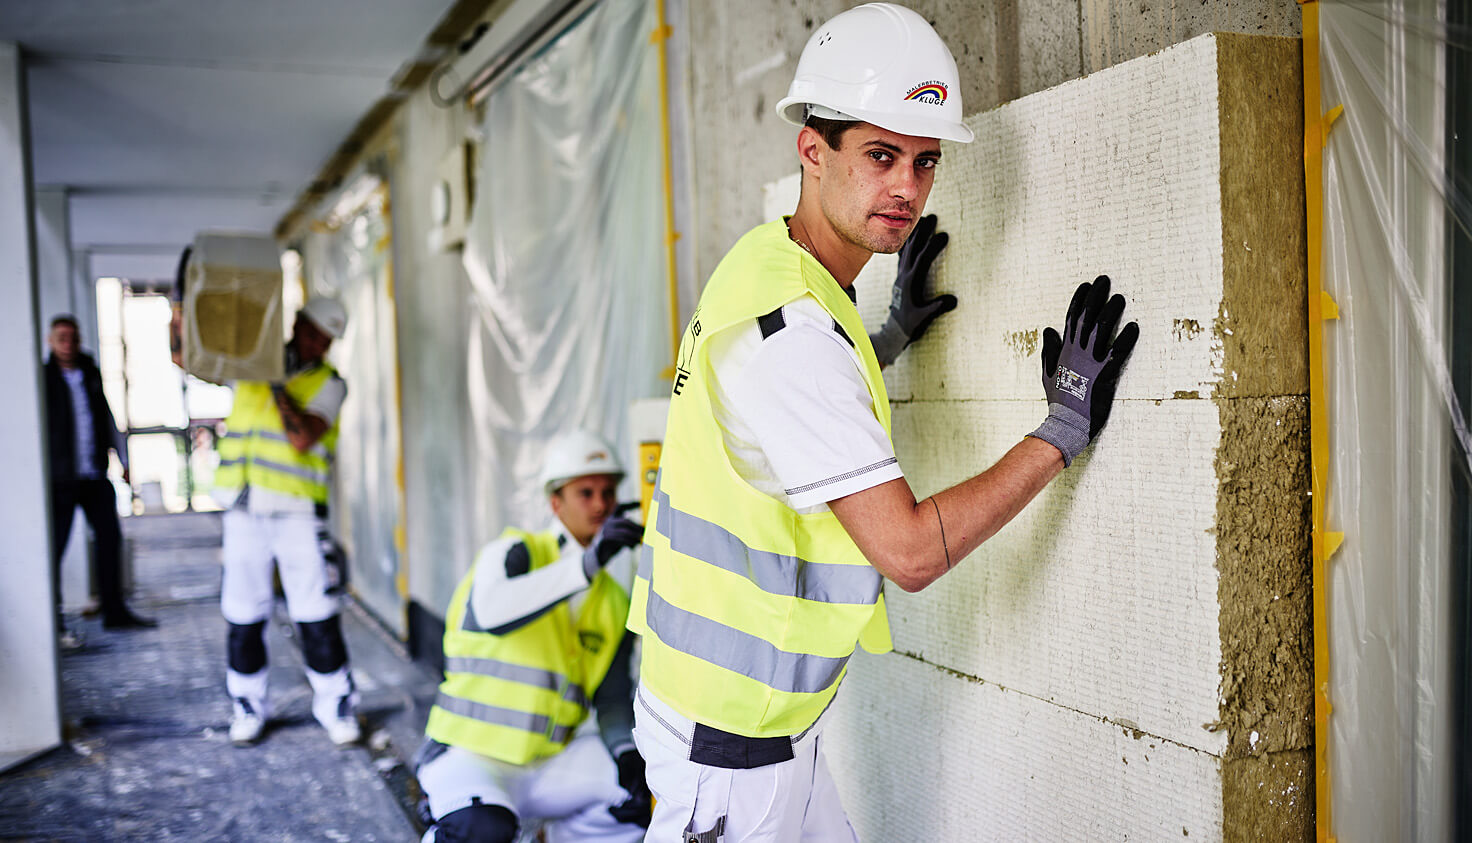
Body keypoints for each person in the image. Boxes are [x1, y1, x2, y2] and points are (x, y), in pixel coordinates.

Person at [626, 4, 1141, 840]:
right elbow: (907, 551)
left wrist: (887, 335)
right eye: (879, 155)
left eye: (925, 160)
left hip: (743, 722)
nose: (905, 186)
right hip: (731, 753)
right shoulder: (793, 333)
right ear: (812, 149)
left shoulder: (765, 264)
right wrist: (1060, 431)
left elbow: (787, 407)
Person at [414, 430, 651, 843]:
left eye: (609, 493)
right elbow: (492, 613)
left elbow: (611, 698)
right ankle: (446, 820)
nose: (601, 504)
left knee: (642, 800)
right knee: (481, 831)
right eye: (586, 493)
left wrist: (625, 753)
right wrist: (587, 564)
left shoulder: (614, 599)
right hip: (470, 755)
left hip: (550, 764)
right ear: (554, 502)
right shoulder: (513, 552)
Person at [213, 296, 360, 746]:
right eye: (314, 333)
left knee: (315, 610)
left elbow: (301, 439)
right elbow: (192, 359)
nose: (319, 345)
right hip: (242, 507)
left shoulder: (329, 384)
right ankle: (247, 706)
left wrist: (276, 384)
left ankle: (337, 706)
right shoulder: (251, 366)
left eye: (327, 339)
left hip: (296, 512)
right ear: (296, 324)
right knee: (242, 613)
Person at [44, 314, 155, 647]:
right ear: (51, 341)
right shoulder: (44, 378)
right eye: (61, 337)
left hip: (93, 474)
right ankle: (54, 622)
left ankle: (115, 611)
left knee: (110, 540)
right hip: (59, 480)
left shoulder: (89, 372)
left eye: (73, 337)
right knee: (53, 550)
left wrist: (122, 460)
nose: (68, 343)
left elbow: (106, 417)